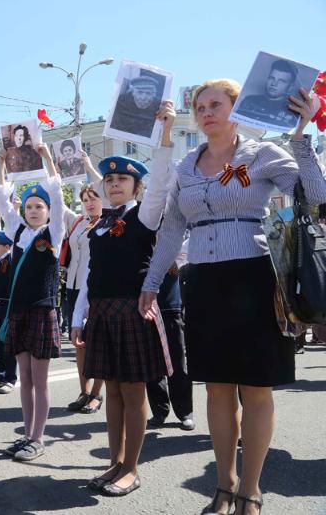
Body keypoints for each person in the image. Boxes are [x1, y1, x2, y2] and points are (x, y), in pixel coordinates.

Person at [139, 80, 326, 515]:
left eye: (216, 104)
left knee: (256, 390)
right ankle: (225, 484)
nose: (206, 112)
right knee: (217, 390)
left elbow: (317, 196)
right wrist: (150, 282)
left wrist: (300, 137)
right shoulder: (187, 164)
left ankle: (252, 489)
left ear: (237, 109)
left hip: (256, 279)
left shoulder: (261, 153)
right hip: (202, 282)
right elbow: (170, 230)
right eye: (200, 106)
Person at [72, 100, 175, 497]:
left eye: (122, 180)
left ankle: (131, 468)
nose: (114, 184)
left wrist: (165, 135)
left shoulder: (144, 216)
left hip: (132, 311)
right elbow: (89, 278)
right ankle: (114, 462)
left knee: (133, 392)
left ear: (135, 187)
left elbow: (163, 183)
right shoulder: (97, 227)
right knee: (111, 391)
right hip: (101, 312)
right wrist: (80, 317)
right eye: (109, 179)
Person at [0, 143, 65, 461]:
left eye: (39, 206)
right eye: (29, 206)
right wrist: (0, 164)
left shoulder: (54, 233)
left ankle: (38, 437)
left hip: (42, 311)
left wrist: (48, 158)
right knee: (24, 377)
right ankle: (26, 435)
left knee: (39, 379)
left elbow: (60, 198)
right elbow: (1, 202)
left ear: (48, 211)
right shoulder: (18, 231)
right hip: (20, 313)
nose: (33, 210)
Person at [62, 179, 105, 415]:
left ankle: (97, 393)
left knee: (96, 342)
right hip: (73, 285)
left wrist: (89, 166)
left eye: (93, 198)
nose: (89, 203)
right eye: (85, 199)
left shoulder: (110, 222)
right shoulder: (79, 222)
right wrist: (50, 164)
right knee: (78, 342)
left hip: (96, 288)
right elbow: (57, 201)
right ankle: (84, 391)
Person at [145, 241, 194, 431]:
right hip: (147, 301)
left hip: (171, 299)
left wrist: (174, 260)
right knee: (152, 361)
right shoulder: (145, 219)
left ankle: (185, 412)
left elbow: (189, 246)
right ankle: (159, 411)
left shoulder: (175, 216)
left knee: (177, 358)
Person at [0, 231, 17, 395]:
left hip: (7, 305)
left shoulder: (11, 258)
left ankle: (9, 378)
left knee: (7, 342)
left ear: (7, 246)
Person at [234, 59, 300, 128]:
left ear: (290, 87)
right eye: (272, 78)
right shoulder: (249, 100)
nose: (274, 84)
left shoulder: (292, 110)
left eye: (281, 81)